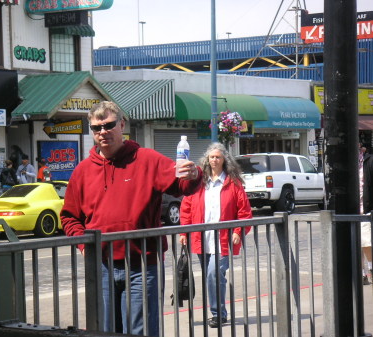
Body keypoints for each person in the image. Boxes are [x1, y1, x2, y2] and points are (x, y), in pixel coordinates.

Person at [60, 101, 202, 337]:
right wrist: (85, 246)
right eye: (96, 128)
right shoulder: (82, 171)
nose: (103, 132)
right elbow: (70, 217)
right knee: (106, 331)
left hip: (142, 265)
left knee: (141, 330)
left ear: (122, 124)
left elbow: (182, 185)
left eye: (108, 125)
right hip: (102, 266)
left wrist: (194, 173)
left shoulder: (147, 159)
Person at [179, 142, 252, 327]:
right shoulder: (199, 183)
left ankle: (218, 314)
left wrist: (238, 231)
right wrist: (183, 231)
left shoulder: (234, 184)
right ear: (207, 160)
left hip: (223, 240)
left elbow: (244, 212)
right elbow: (186, 208)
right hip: (202, 239)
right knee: (211, 276)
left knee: (214, 274)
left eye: (218, 157)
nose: (214, 160)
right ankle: (219, 311)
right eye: (211, 157)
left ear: (224, 160)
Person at [360, 142, 373, 285]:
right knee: (355, 243)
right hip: (351, 208)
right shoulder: (349, 164)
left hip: (365, 209)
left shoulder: (369, 162)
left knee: (366, 241)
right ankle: (363, 273)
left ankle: (370, 268)